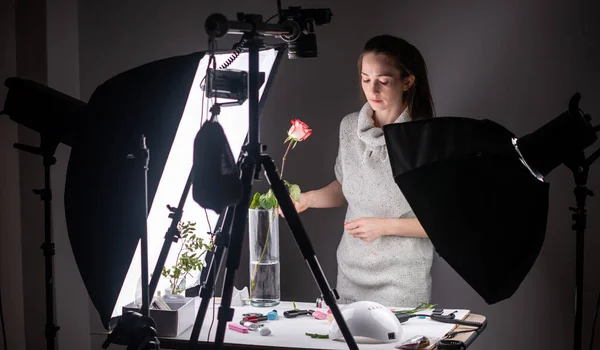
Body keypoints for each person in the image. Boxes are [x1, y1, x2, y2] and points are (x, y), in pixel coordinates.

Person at [293, 34, 436, 307]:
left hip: (401, 282)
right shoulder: (349, 127)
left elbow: (441, 224)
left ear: (407, 81)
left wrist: (383, 226)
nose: (373, 90)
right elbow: (346, 188)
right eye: (365, 79)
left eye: (383, 81)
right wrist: (307, 199)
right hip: (350, 274)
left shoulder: (426, 139)